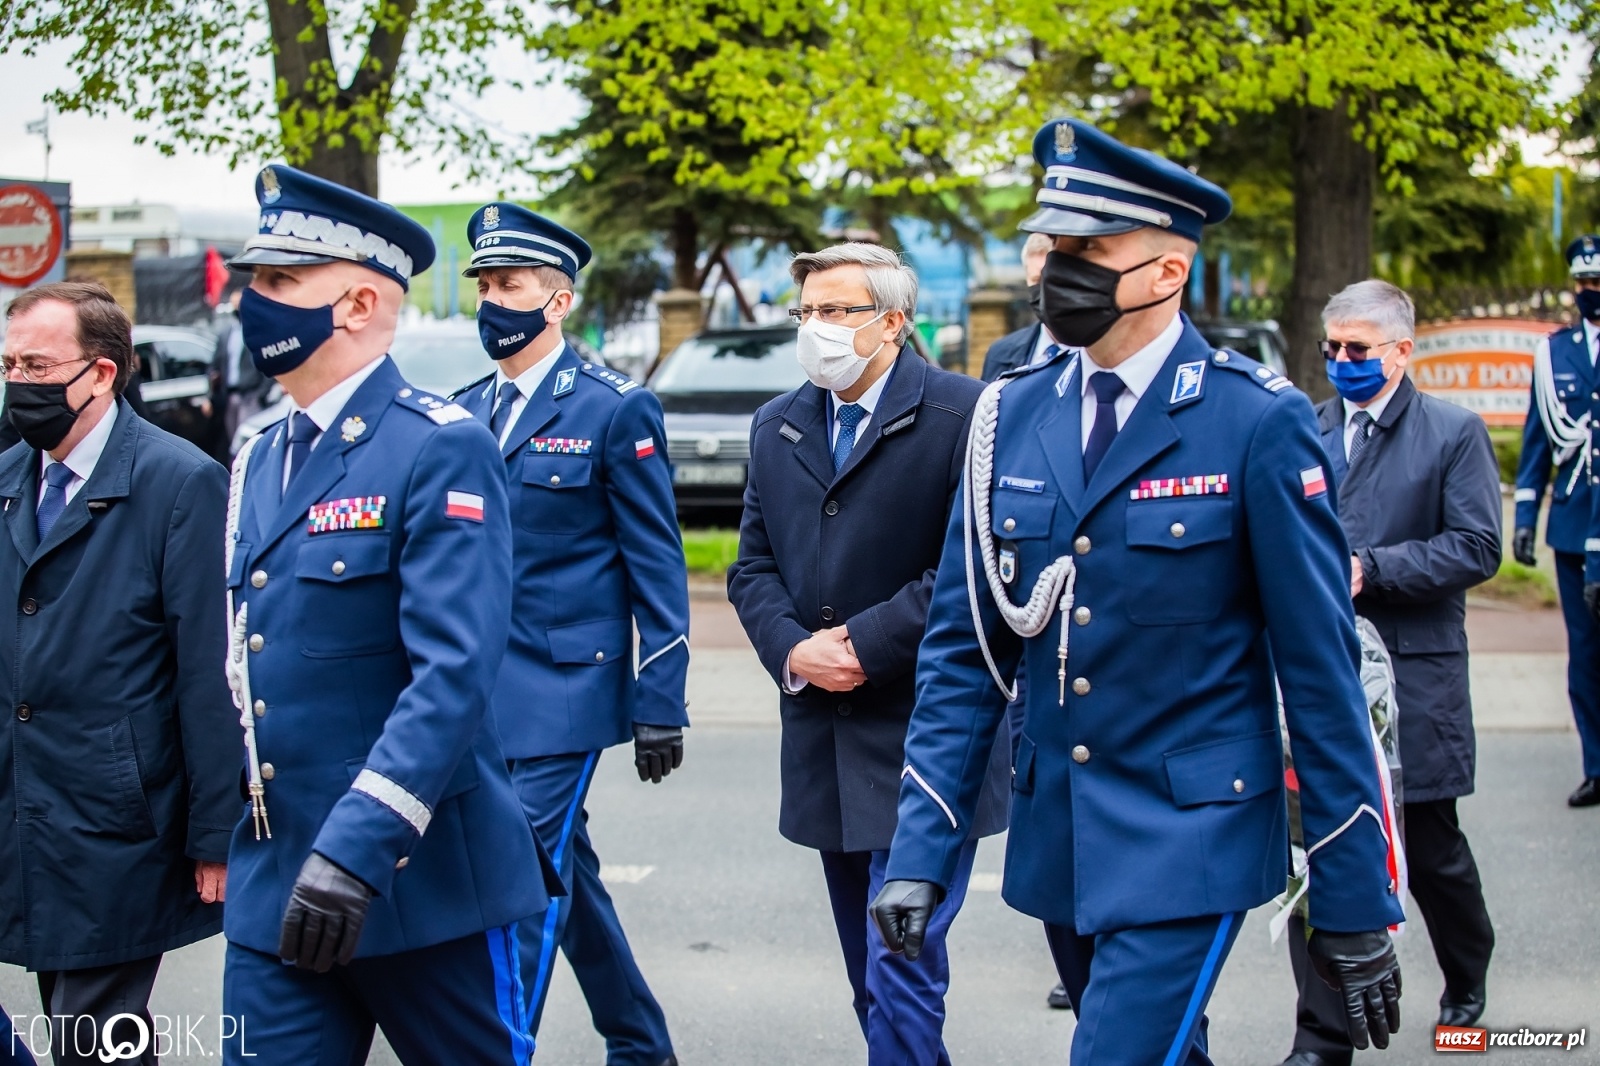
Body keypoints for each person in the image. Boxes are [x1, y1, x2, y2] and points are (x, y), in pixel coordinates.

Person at [869, 119, 1405, 1065]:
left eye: (1089, 250)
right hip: (1062, 835)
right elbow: (965, 652)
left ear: (1166, 272)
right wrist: (921, 849)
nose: (1056, 269)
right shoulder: (1011, 412)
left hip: (1191, 838)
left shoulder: (1256, 421)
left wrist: (1355, 897)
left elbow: (1320, 677)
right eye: (1055, 246)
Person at [218, 165, 556, 1065]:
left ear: (359, 303)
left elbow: (453, 675)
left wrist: (360, 845)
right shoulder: (256, 458)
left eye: (281, 283)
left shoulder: (440, 447)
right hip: (277, 879)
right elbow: (246, 663)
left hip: (419, 882)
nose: (256, 303)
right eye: (255, 282)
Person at [727, 242, 1008, 1065]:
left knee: (901, 961)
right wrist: (793, 649)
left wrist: (864, 642)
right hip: (824, 732)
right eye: (805, 311)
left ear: (892, 322)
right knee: (867, 969)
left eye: (835, 311)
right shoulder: (777, 423)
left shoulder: (968, 414)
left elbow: (978, 565)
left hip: (926, 733)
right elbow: (750, 565)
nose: (814, 327)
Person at [451, 202, 689, 1066]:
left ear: (556, 303)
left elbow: (657, 565)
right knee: (563, 874)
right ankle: (639, 1042)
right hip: (474, 690)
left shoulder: (614, 410)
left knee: (518, 887)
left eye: (509, 284)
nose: (491, 300)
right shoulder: (461, 411)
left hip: (563, 688)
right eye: (483, 283)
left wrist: (661, 697)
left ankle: (497, 1050)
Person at [0, 280, 236, 1066]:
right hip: (21, 806)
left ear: (101, 374)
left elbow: (207, 668)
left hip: (117, 823)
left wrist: (214, 833)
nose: (18, 384)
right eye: (9, 364)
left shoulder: (179, 483)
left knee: (93, 1042)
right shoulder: (9, 480)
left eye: (37, 365)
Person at [1275, 280, 1502, 1066]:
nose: (1340, 361)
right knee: (1325, 845)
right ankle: (1322, 1032)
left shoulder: (1452, 432)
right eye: (1330, 348)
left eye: (1357, 350)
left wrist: (1371, 569)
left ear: (1402, 352)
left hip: (1414, 672)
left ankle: (1466, 978)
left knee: (1431, 846)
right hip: (1323, 671)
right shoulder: (1307, 425)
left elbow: (1478, 546)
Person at [1515, 236, 1600, 808]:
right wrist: (1524, 513)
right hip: (1573, 525)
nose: (1591, 293)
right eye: (1584, 284)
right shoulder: (1555, 353)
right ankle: (1596, 765)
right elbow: (1537, 440)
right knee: (1586, 655)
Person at [980, 231, 1061, 382]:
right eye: (1036, 280)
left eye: (1052, 279)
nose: (1044, 289)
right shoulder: (1000, 355)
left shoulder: (1098, 355)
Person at [209, 287, 270, 458]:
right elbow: (215, 364)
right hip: (230, 395)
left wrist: (261, 394)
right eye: (234, 304)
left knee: (247, 439)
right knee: (232, 441)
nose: (237, 309)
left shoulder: (256, 331)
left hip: (250, 394)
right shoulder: (226, 333)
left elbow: (266, 363)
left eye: (239, 304)